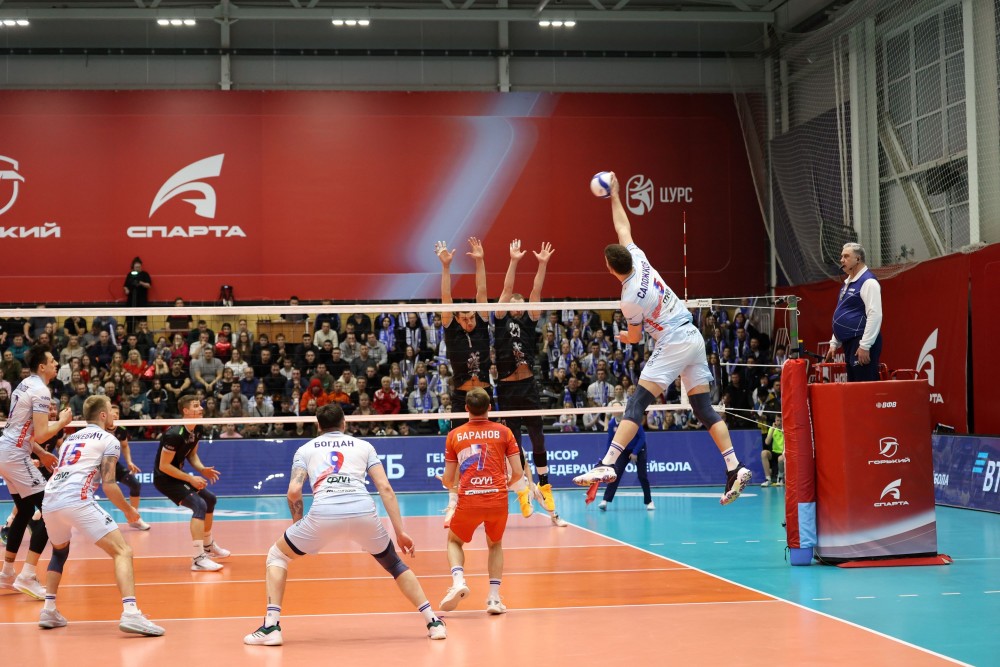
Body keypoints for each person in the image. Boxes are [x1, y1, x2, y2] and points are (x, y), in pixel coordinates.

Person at [573, 172, 753, 505]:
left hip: (672, 341)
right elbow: (623, 227)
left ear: (610, 268)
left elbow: (636, 336)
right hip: (692, 335)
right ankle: (734, 466)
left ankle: (607, 463)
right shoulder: (640, 258)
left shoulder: (628, 299)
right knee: (703, 408)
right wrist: (615, 194)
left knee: (636, 403)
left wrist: (626, 336)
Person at [243, 404, 446, 645]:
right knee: (395, 564)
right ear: (344, 423)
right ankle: (433, 622)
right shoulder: (364, 446)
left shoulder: (304, 450)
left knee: (277, 556)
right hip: (363, 512)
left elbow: (294, 490)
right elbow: (385, 488)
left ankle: (271, 626)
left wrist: (298, 526)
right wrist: (400, 532)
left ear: (318, 426)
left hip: (324, 514)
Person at [37, 395, 164, 636]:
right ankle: (131, 613)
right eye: (111, 411)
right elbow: (109, 484)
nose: (115, 415)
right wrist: (129, 511)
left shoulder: (69, 439)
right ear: (103, 415)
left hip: (50, 500)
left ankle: (49, 610)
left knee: (59, 552)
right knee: (123, 551)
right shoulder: (109, 440)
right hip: (76, 499)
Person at [494, 239, 567, 526]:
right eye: (514, 303)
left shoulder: (528, 319)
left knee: (538, 439)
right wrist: (513, 261)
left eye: (521, 304)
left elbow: (536, 291)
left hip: (528, 386)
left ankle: (544, 485)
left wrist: (542, 264)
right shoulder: (500, 319)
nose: (517, 307)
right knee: (514, 444)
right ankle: (524, 487)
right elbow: (506, 290)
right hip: (507, 388)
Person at [438, 388, 523, 615]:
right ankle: (494, 599)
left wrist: (445, 482)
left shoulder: (454, 435)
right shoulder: (505, 432)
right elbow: (518, 472)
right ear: (490, 408)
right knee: (495, 544)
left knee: (454, 541)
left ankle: (458, 581)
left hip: (469, 500)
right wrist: (504, 485)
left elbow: (449, 479)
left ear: (466, 408)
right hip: (497, 499)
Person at [0, 345, 72, 599]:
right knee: (51, 511)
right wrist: (62, 422)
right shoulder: (41, 390)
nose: (56, 364)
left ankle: (7, 572)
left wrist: (41, 453)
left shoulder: (24, 384)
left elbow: (23, 429)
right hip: (15, 455)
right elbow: (41, 433)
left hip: (7, 450)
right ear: (42, 366)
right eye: (52, 361)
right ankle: (28, 575)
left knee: (24, 511)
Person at [152, 394, 230, 571]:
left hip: (178, 475)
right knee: (199, 505)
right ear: (185, 411)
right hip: (165, 479)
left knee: (210, 499)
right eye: (196, 406)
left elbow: (192, 454)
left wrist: (201, 469)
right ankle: (198, 559)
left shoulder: (197, 428)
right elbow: (164, 466)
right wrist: (190, 478)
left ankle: (208, 545)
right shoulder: (174, 434)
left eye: (200, 405)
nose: (201, 408)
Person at [824, 242, 883, 382]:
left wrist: (865, 345)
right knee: (854, 387)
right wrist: (834, 343)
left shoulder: (868, 282)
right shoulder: (847, 283)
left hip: (861, 341)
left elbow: (875, 314)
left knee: (865, 387)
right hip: (849, 343)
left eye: (846, 256)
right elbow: (843, 313)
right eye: (841, 256)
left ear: (858, 259)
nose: (841, 260)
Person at [593, 414, 652, 511]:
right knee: (615, 474)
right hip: (624, 450)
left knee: (642, 476)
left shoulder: (633, 419)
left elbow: (642, 438)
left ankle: (649, 502)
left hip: (639, 449)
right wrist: (607, 456)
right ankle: (605, 501)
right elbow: (611, 440)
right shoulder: (612, 423)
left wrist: (635, 452)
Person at [108, 405, 151, 530]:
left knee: (135, 484)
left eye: (117, 413)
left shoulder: (121, 429)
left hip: (113, 464)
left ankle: (135, 519)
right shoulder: (100, 429)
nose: (115, 415)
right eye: (113, 413)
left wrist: (129, 462)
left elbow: (125, 446)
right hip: (95, 464)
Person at [122, 257, 152, 333]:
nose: (137, 268)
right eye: (136, 267)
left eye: (139, 267)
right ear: (133, 267)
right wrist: (126, 290)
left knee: (142, 320)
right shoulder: (130, 274)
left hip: (142, 301)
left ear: (141, 266)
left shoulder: (145, 274)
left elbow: (149, 285)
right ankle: (130, 334)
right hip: (131, 301)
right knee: (130, 321)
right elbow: (125, 285)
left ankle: (142, 335)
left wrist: (140, 282)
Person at [761, 414, 785, 487]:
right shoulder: (772, 429)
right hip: (774, 452)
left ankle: (780, 478)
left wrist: (784, 433)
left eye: (781, 421)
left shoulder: (786, 429)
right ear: (775, 421)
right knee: (764, 453)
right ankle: (768, 479)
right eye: (777, 420)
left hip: (783, 453)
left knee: (780, 458)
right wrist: (772, 430)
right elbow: (767, 442)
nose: (779, 422)